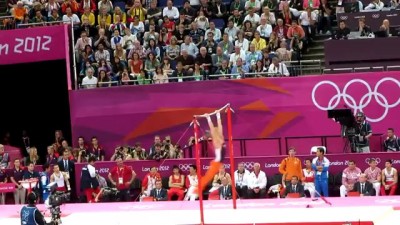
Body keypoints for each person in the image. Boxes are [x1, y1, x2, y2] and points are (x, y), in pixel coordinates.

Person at [197, 110, 226, 194]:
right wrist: (208, 117)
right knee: (208, 177)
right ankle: (198, 188)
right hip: (217, 161)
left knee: (208, 176)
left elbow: (219, 125)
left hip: (218, 160)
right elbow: (212, 127)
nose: (215, 130)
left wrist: (217, 115)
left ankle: (198, 188)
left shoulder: (220, 135)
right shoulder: (216, 137)